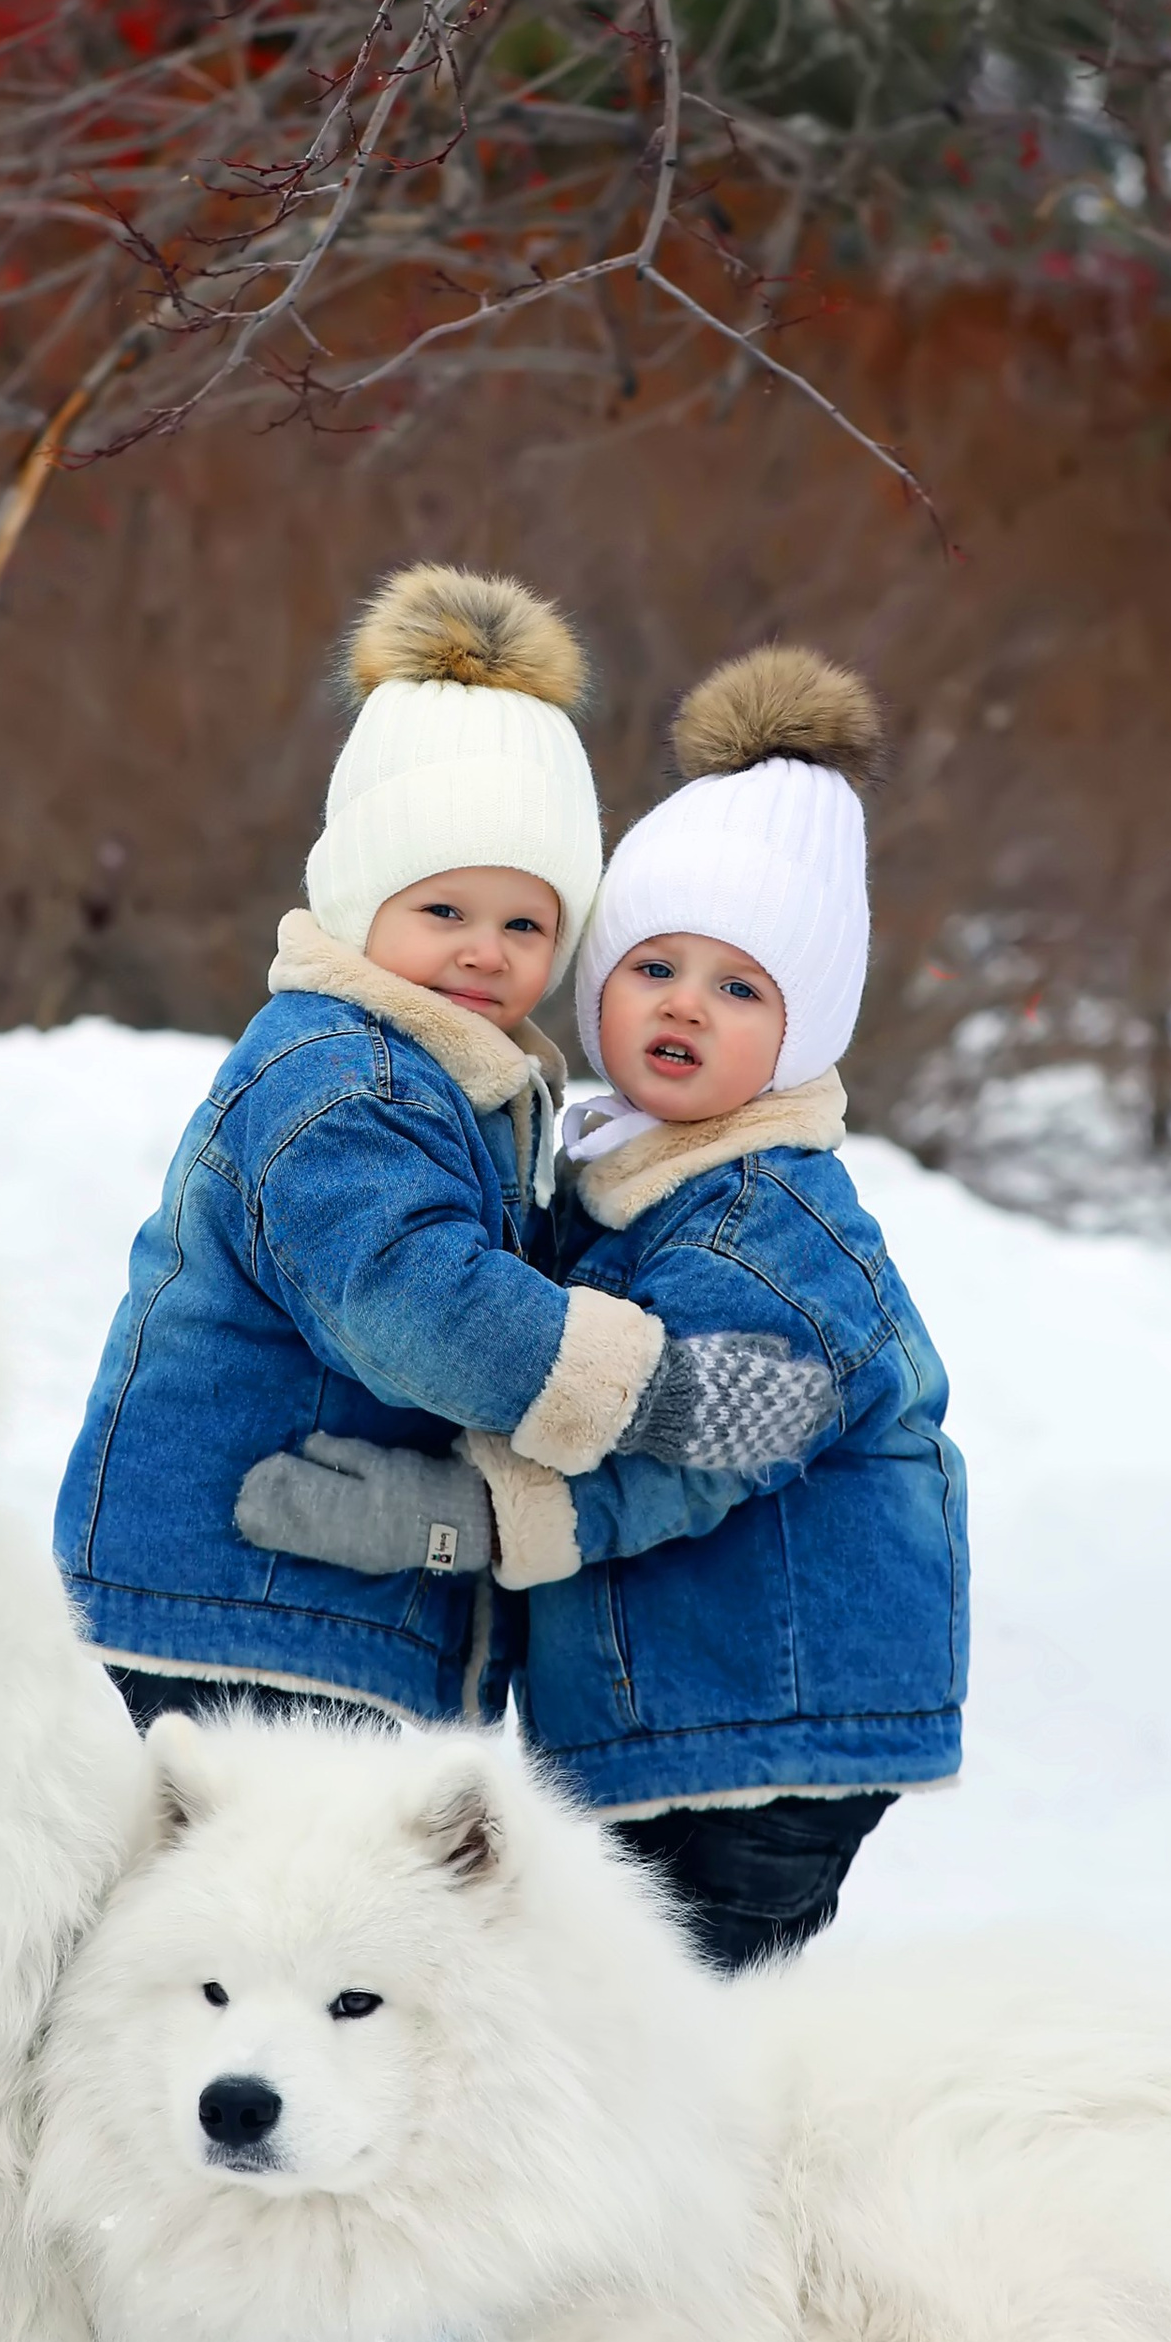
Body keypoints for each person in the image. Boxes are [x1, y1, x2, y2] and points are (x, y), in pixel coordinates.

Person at [238, 644, 968, 1968]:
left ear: (804, 1032)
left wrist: (468, 1520)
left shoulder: (763, 1218)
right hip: (684, 1719)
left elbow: (719, 1440)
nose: (685, 1004)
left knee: (689, 2023)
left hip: (756, 1724)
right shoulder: (626, 1177)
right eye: (653, 966)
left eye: (740, 987)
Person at [55, 569, 839, 1733]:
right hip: (238, 1611)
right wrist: (654, 1394)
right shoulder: (341, 1078)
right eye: (443, 911)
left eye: (525, 923)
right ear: (358, 898)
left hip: (305, 1612)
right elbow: (413, 1302)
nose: (485, 951)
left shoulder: (453, 1081)